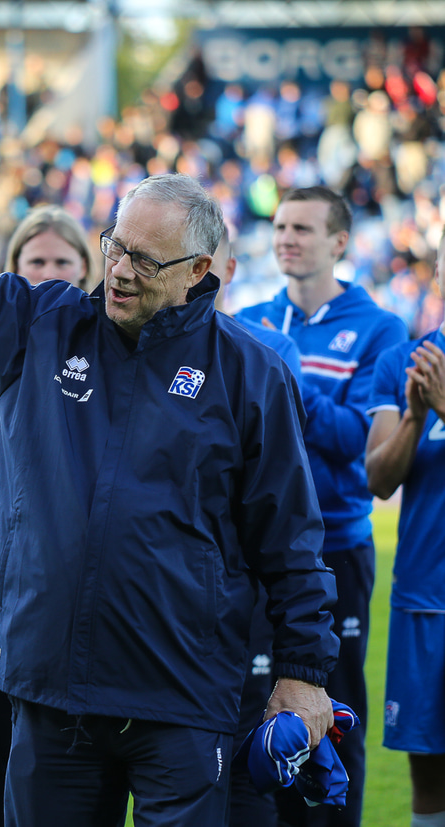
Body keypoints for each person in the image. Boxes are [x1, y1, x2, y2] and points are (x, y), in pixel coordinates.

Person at [0, 48, 339, 826]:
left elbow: (290, 535)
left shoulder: (250, 372)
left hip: (184, 697)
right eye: (114, 245)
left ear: (198, 271)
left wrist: (301, 671)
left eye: (144, 261)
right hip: (53, 693)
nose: (118, 270)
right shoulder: (36, 325)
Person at [236, 186, 409, 827]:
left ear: (339, 242)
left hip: (336, 544)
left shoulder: (379, 329)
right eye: (280, 226)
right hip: (254, 549)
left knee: (334, 716)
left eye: (303, 228)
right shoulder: (250, 316)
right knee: (260, 705)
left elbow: (361, 451)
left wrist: (284, 376)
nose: (286, 237)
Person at [0, 203, 96, 827]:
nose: (48, 272)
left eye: (62, 261)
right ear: (12, 268)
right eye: (34, 260)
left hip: (64, 591)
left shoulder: (99, 360)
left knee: (62, 762)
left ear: (89, 267)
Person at [212, 226, 300, 827]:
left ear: (229, 269)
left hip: (242, 588)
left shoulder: (265, 353)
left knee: (246, 761)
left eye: (205, 261)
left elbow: (284, 491)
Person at [365, 228, 445, 827]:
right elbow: (379, 479)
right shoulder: (406, 361)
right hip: (423, 598)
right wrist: (417, 417)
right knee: (428, 775)